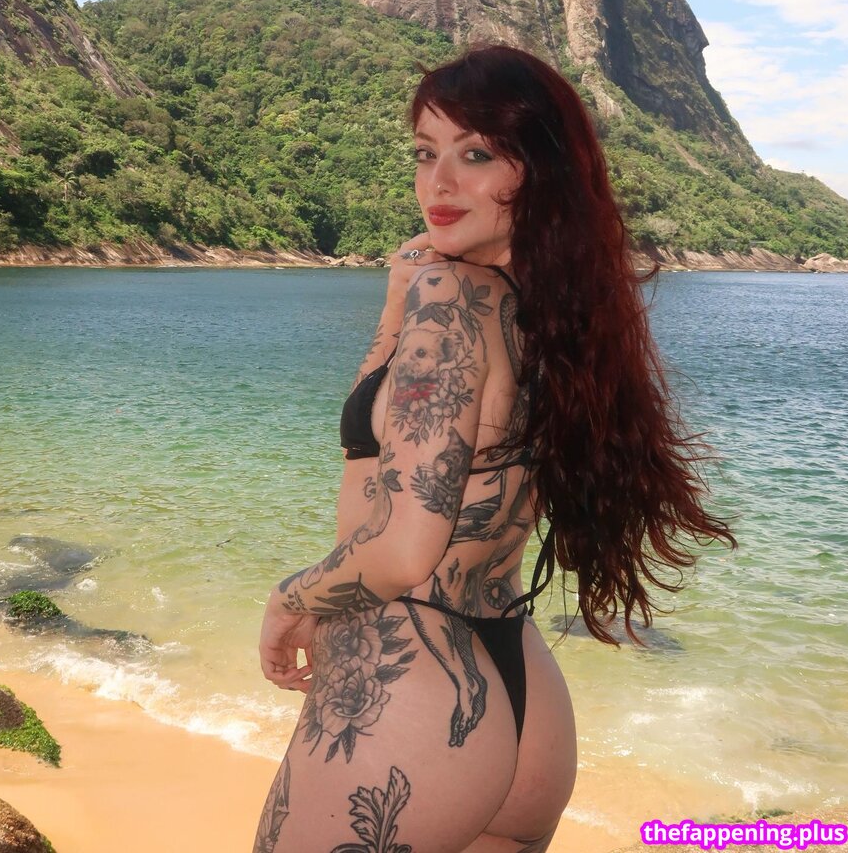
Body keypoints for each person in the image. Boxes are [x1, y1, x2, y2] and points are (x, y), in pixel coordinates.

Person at [253, 44, 736, 852]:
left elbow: (403, 548)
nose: (438, 182)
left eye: (475, 154)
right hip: (518, 687)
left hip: (410, 687)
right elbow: (376, 443)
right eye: (425, 153)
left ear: (538, 171)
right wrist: (398, 298)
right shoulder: (553, 318)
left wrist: (290, 598)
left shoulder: (454, 298)